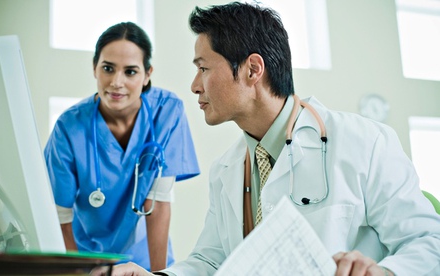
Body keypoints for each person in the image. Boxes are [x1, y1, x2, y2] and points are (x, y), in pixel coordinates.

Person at [94, 3, 440, 275]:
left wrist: (386, 271)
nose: (194, 85)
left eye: (203, 68)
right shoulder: (226, 171)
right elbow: (212, 262)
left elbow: (429, 241)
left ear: (252, 69)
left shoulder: (364, 143)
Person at [44, 22, 200, 271]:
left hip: (146, 259)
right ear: (94, 68)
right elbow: (61, 217)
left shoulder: (167, 111)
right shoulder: (69, 128)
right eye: (108, 68)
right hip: (87, 259)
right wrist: (76, 272)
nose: (117, 82)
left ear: (147, 74)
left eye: (130, 72)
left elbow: (158, 203)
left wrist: (157, 274)